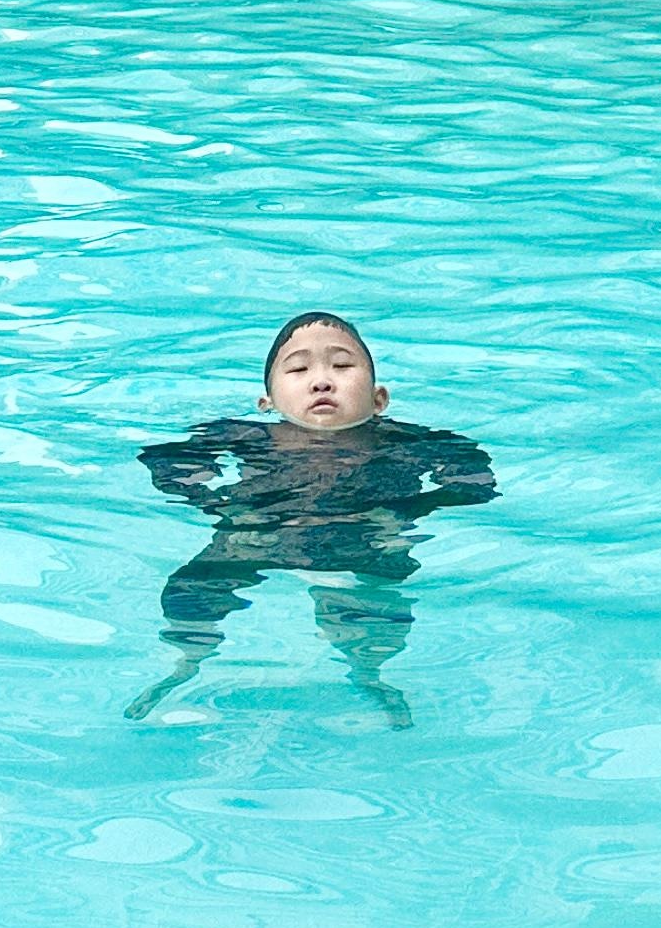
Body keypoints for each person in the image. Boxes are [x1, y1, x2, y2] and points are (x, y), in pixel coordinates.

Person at [128, 311, 494, 727]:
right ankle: (185, 661)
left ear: (379, 399)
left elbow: (473, 476)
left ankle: (370, 671)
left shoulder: (403, 442)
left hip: (365, 536)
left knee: (380, 609)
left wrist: (403, 513)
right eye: (299, 369)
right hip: (259, 533)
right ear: (267, 403)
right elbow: (168, 461)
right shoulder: (249, 437)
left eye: (341, 366)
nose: (321, 381)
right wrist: (218, 504)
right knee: (193, 589)